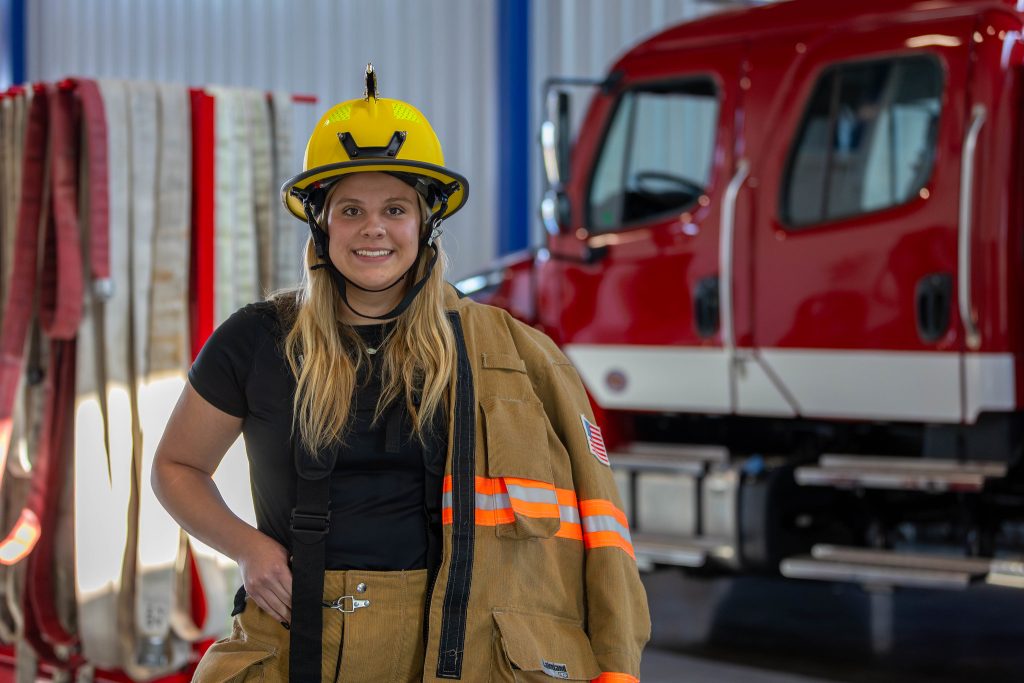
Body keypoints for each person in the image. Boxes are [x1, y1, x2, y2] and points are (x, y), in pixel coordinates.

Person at [152, 65, 650, 683]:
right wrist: (248, 549)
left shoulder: (498, 353)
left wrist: (613, 662)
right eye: (350, 209)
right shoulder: (257, 339)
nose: (374, 229)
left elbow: (597, 522)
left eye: (395, 208)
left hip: (449, 642)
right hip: (289, 638)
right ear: (320, 222)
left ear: (426, 224)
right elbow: (175, 467)